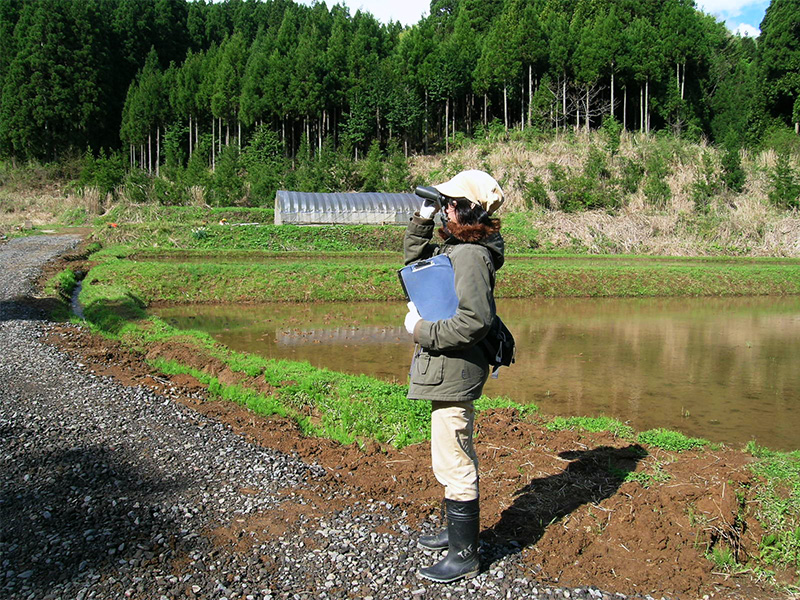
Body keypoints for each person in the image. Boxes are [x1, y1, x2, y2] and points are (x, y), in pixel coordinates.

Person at [403, 169, 505, 583]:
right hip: (446, 368)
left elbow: (475, 321)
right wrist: (422, 220)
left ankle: (465, 554)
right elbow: (417, 275)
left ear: (466, 210)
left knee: (455, 459)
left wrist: (420, 330)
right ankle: (453, 533)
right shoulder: (457, 250)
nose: (443, 209)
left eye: (447, 203)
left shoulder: (470, 257)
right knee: (448, 454)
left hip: (454, 368)